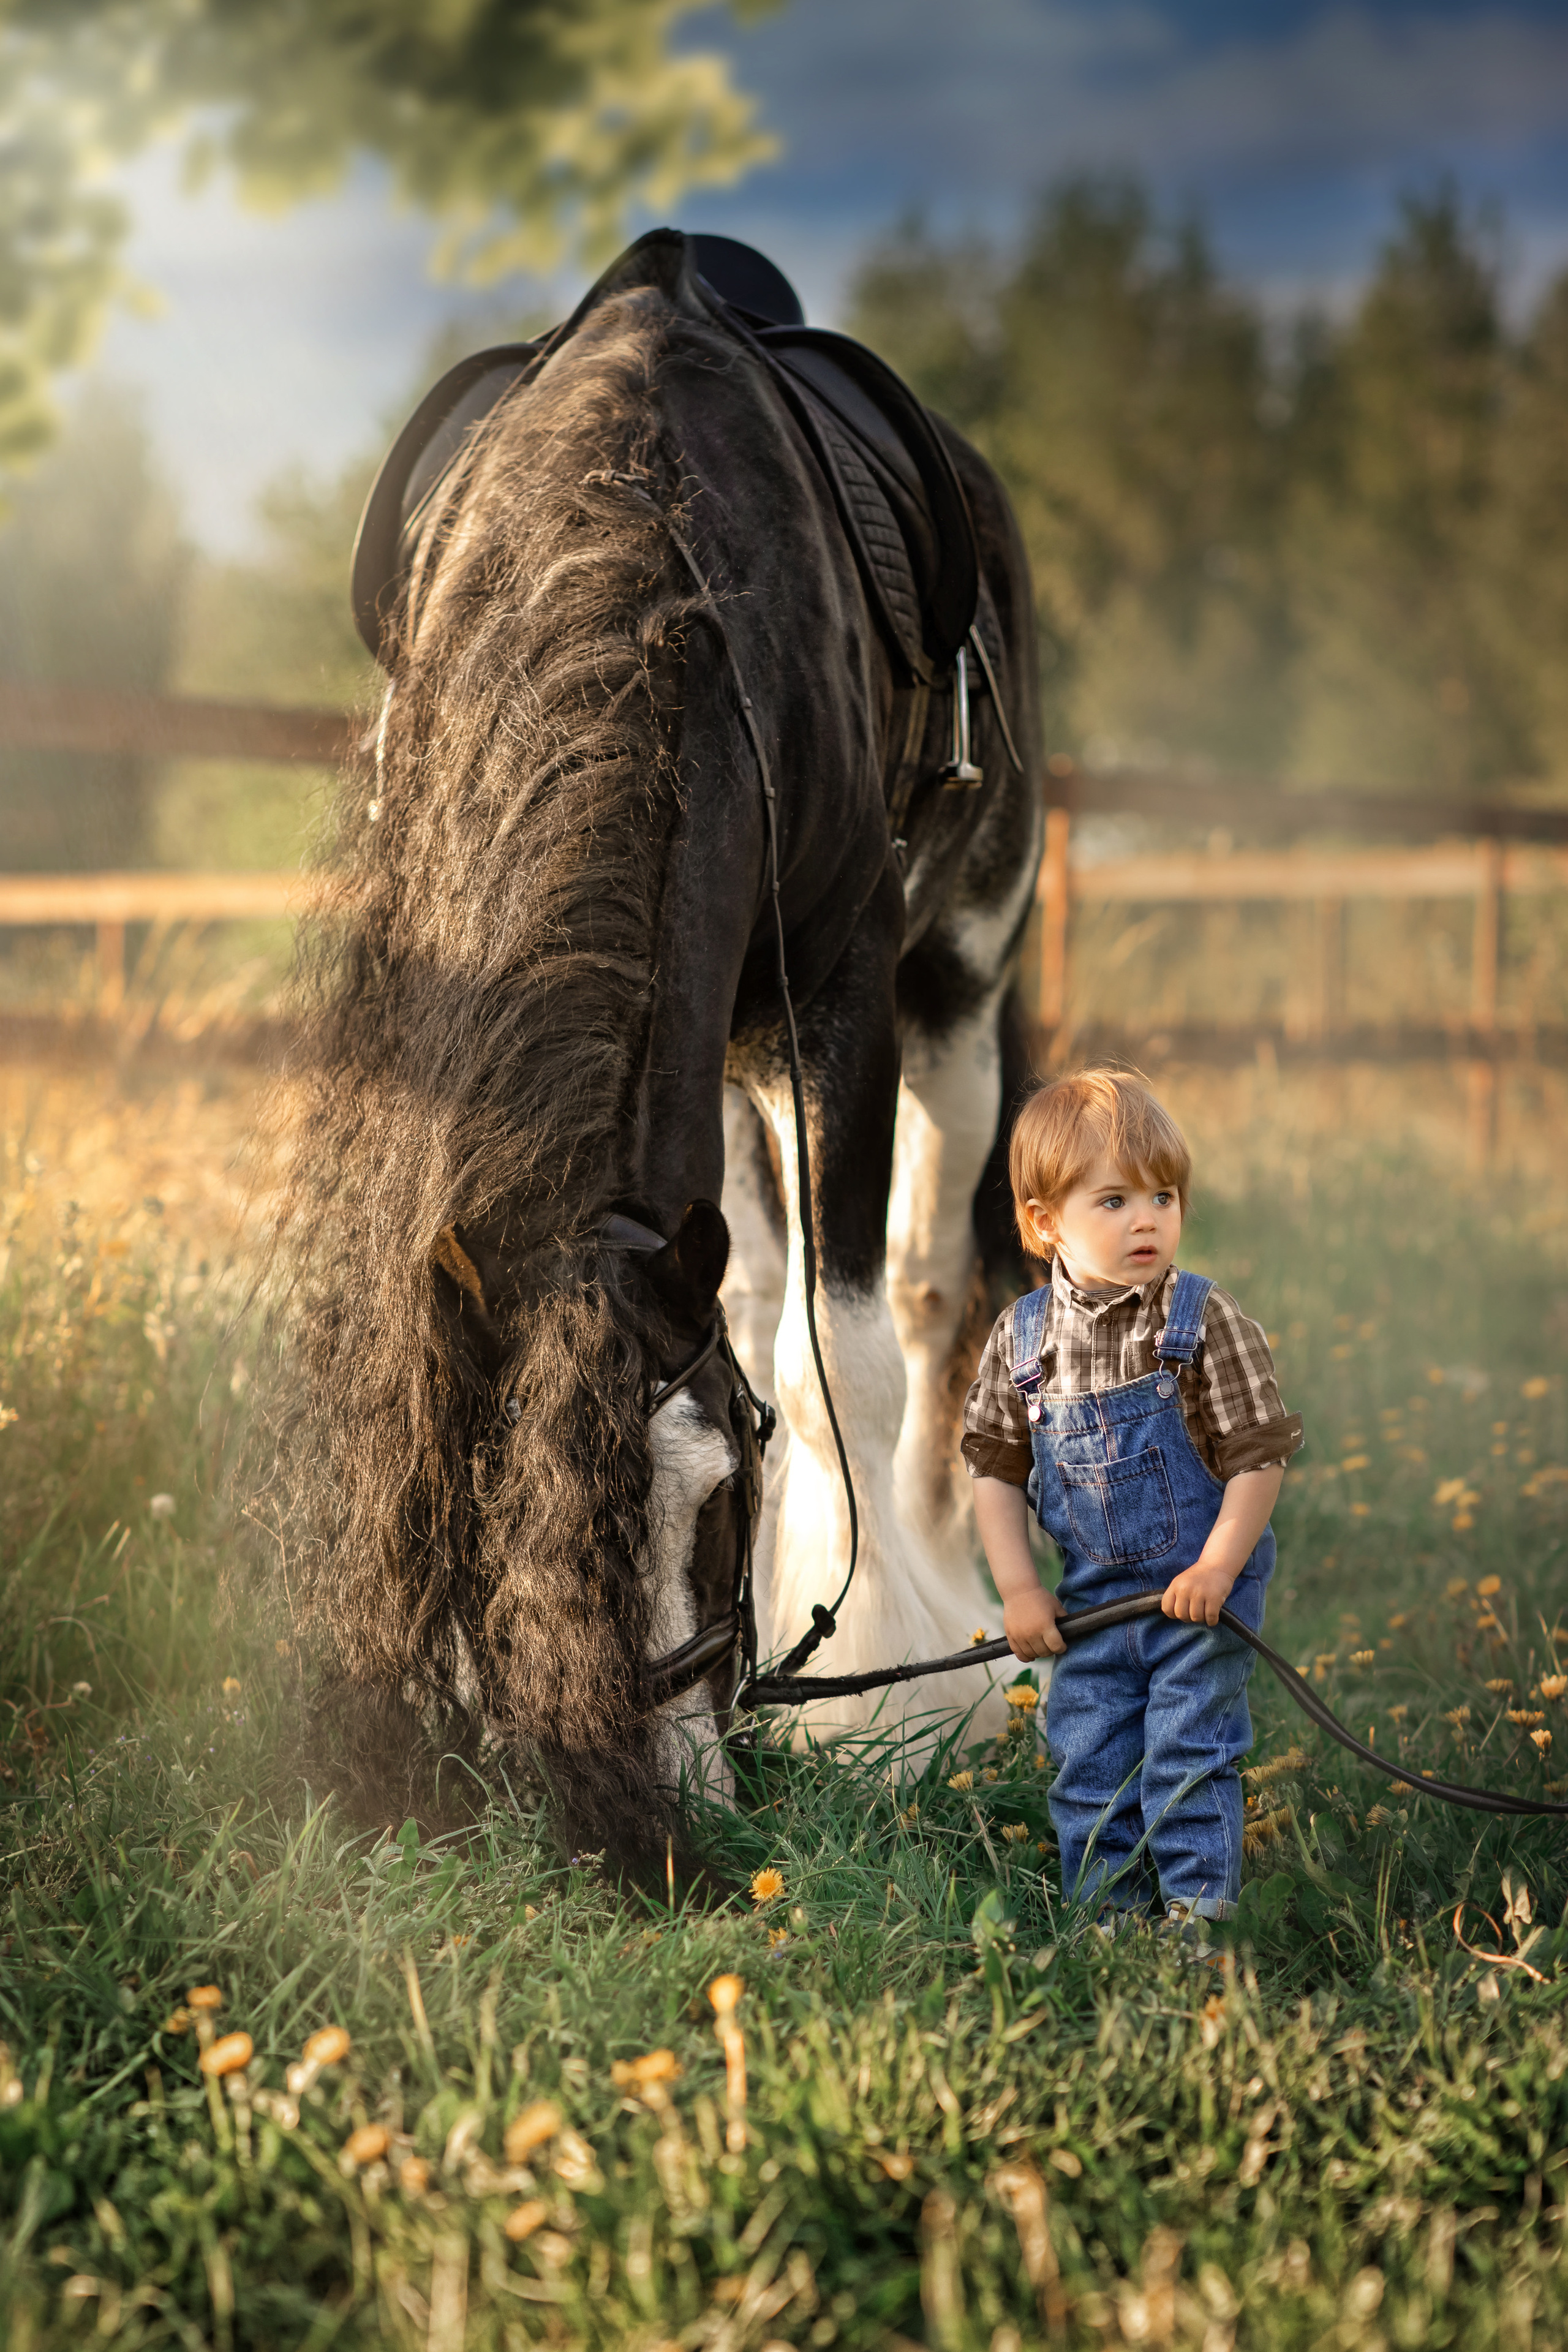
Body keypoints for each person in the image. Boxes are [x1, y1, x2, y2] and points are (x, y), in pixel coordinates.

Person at [963, 1068, 1303, 1942]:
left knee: (1189, 1750)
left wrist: (1219, 1566)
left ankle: (1198, 1917)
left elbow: (1256, 1460)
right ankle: (1109, 1918)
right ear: (1045, 1224)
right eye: (1112, 1200)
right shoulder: (1022, 1339)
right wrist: (1020, 1592)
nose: (1146, 1218)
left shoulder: (1202, 1321)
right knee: (1088, 1755)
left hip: (1199, 1592)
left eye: (1163, 1194)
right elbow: (995, 1473)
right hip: (1091, 1604)